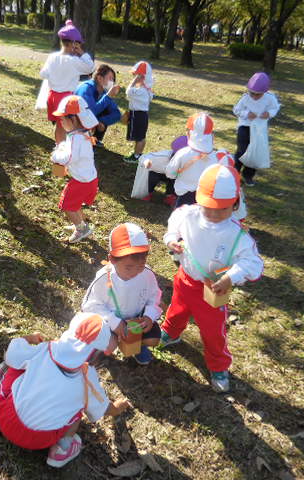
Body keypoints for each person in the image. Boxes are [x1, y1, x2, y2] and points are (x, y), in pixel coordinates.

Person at [160, 164, 263, 392]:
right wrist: (171, 240)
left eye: (223, 209)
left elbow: (254, 264)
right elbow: (172, 226)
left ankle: (218, 365)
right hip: (184, 279)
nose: (215, 214)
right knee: (176, 309)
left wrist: (231, 277)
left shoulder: (236, 234)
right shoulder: (188, 214)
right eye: (209, 208)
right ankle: (170, 332)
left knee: (213, 331)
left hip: (211, 291)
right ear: (199, 200)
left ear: (235, 204)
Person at [0, 312, 131, 468]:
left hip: (5, 416)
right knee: (79, 409)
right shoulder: (87, 379)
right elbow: (104, 409)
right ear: (96, 356)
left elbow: (11, 353)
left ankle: (2, 372)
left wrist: (29, 338)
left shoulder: (47, 349)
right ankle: (63, 448)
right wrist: (118, 408)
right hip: (38, 439)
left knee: (20, 364)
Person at [82, 223, 163, 365]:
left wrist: (149, 317)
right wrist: (114, 322)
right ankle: (101, 352)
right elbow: (90, 306)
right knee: (108, 344)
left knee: (153, 338)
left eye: (141, 265)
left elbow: (154, 297)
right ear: (112, 260)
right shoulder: (104, 278)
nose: (135, 272)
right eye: (129, 267)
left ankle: (138, 346)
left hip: (136, 320)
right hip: (111, 322)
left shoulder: (147, 274)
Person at [51, 95, 100, 243]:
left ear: (72, 120)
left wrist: (55, 156)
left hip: (81, 181)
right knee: (75, 203)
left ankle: (81, 228)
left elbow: (68, 158)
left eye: (62, 119)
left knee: (67, 205)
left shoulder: (76, 138)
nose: (60, 122)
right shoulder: (82, 134)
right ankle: (81, 224)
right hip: (88, 178)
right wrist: (62, 147)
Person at [40, 20, 95, 144]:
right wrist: (82, 53)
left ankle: (59, 147)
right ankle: (65, 150)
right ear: (74, 44)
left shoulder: (52, 57)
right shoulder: (74, 61)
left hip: (52, 96)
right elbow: (90, 68)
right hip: (65, 98)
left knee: (59, 126)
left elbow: (43, 73)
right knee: (68, 126)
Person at [232, 72, 280, 187]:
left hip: (259, 129)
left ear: (265, 92)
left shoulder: (270, 98)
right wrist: (247, 113)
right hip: (245, 127)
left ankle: (248, 175)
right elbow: (236, 110)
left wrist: (269, 113)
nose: (253, 96)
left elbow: (275, 108)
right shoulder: (245, 98)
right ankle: (234, 172)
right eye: (251, 93)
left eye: (257, 94)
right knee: (242, 150)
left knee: (255, 152)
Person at [165, 112, 217, 208]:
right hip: (206, 199)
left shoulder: (183, 153)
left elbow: (170, 173)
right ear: (212, 135)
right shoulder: (216, 157)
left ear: (189, 133)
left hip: (185, 196)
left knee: (181, 221)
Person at [74, 64, 121, 147]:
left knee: (106, 110)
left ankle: (95, 138)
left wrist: (101, 121)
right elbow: (89, 112)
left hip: (87, 118)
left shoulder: (103, 91)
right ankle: (81, 138)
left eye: (113, 80)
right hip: (74, 119)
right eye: (110, 78)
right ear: (99, 78)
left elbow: (116, 114)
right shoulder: (86, 88)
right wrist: (108, 96)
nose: (112, 82)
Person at [124, 61, 154, 164]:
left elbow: (128, 92)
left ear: (142, 77)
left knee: (139, 137)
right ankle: (138, 153)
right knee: (141, 136)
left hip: (138, 115)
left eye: (136, 76)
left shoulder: (141, 91)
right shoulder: (146, 90)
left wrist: (134, 81)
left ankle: (136, 156)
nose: (134, 78)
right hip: (142, 115)